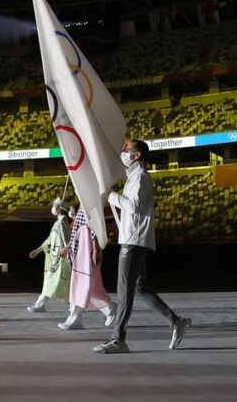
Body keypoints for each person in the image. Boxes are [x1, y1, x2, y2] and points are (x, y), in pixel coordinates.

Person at [93, 140, 191, 354]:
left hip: (133, 241)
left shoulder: (141, 177)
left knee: (124, 289)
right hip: (133, 239)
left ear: (136, 156)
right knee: (138, 287)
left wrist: (110, 194)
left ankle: (118, 339)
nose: (123, 152)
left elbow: (133, 206)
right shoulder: (134, 178)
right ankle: (176, 321)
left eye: (126, 150)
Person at [58, 205, 116, 330]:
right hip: (80, 252)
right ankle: (109, 309)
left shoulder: (90, 204)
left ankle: (76, 318)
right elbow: (76, 233)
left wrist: (95, 250)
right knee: (85, 285)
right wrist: (68, 248)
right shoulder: (82, 207)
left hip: (86, 252)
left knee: (83, 284)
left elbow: (94, 229)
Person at [27, 197, 72, 313]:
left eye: (54, 205)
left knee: (54, 282)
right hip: (55, 259)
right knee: (53, 282)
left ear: (58, 208)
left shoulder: (62, 221)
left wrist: (67, 252)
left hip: (60, 259)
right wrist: (38, 250)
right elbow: (50, 239)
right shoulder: (58, 222)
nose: (52, 207)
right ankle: (41, 304)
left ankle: (40, 304)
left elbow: (66, 238)